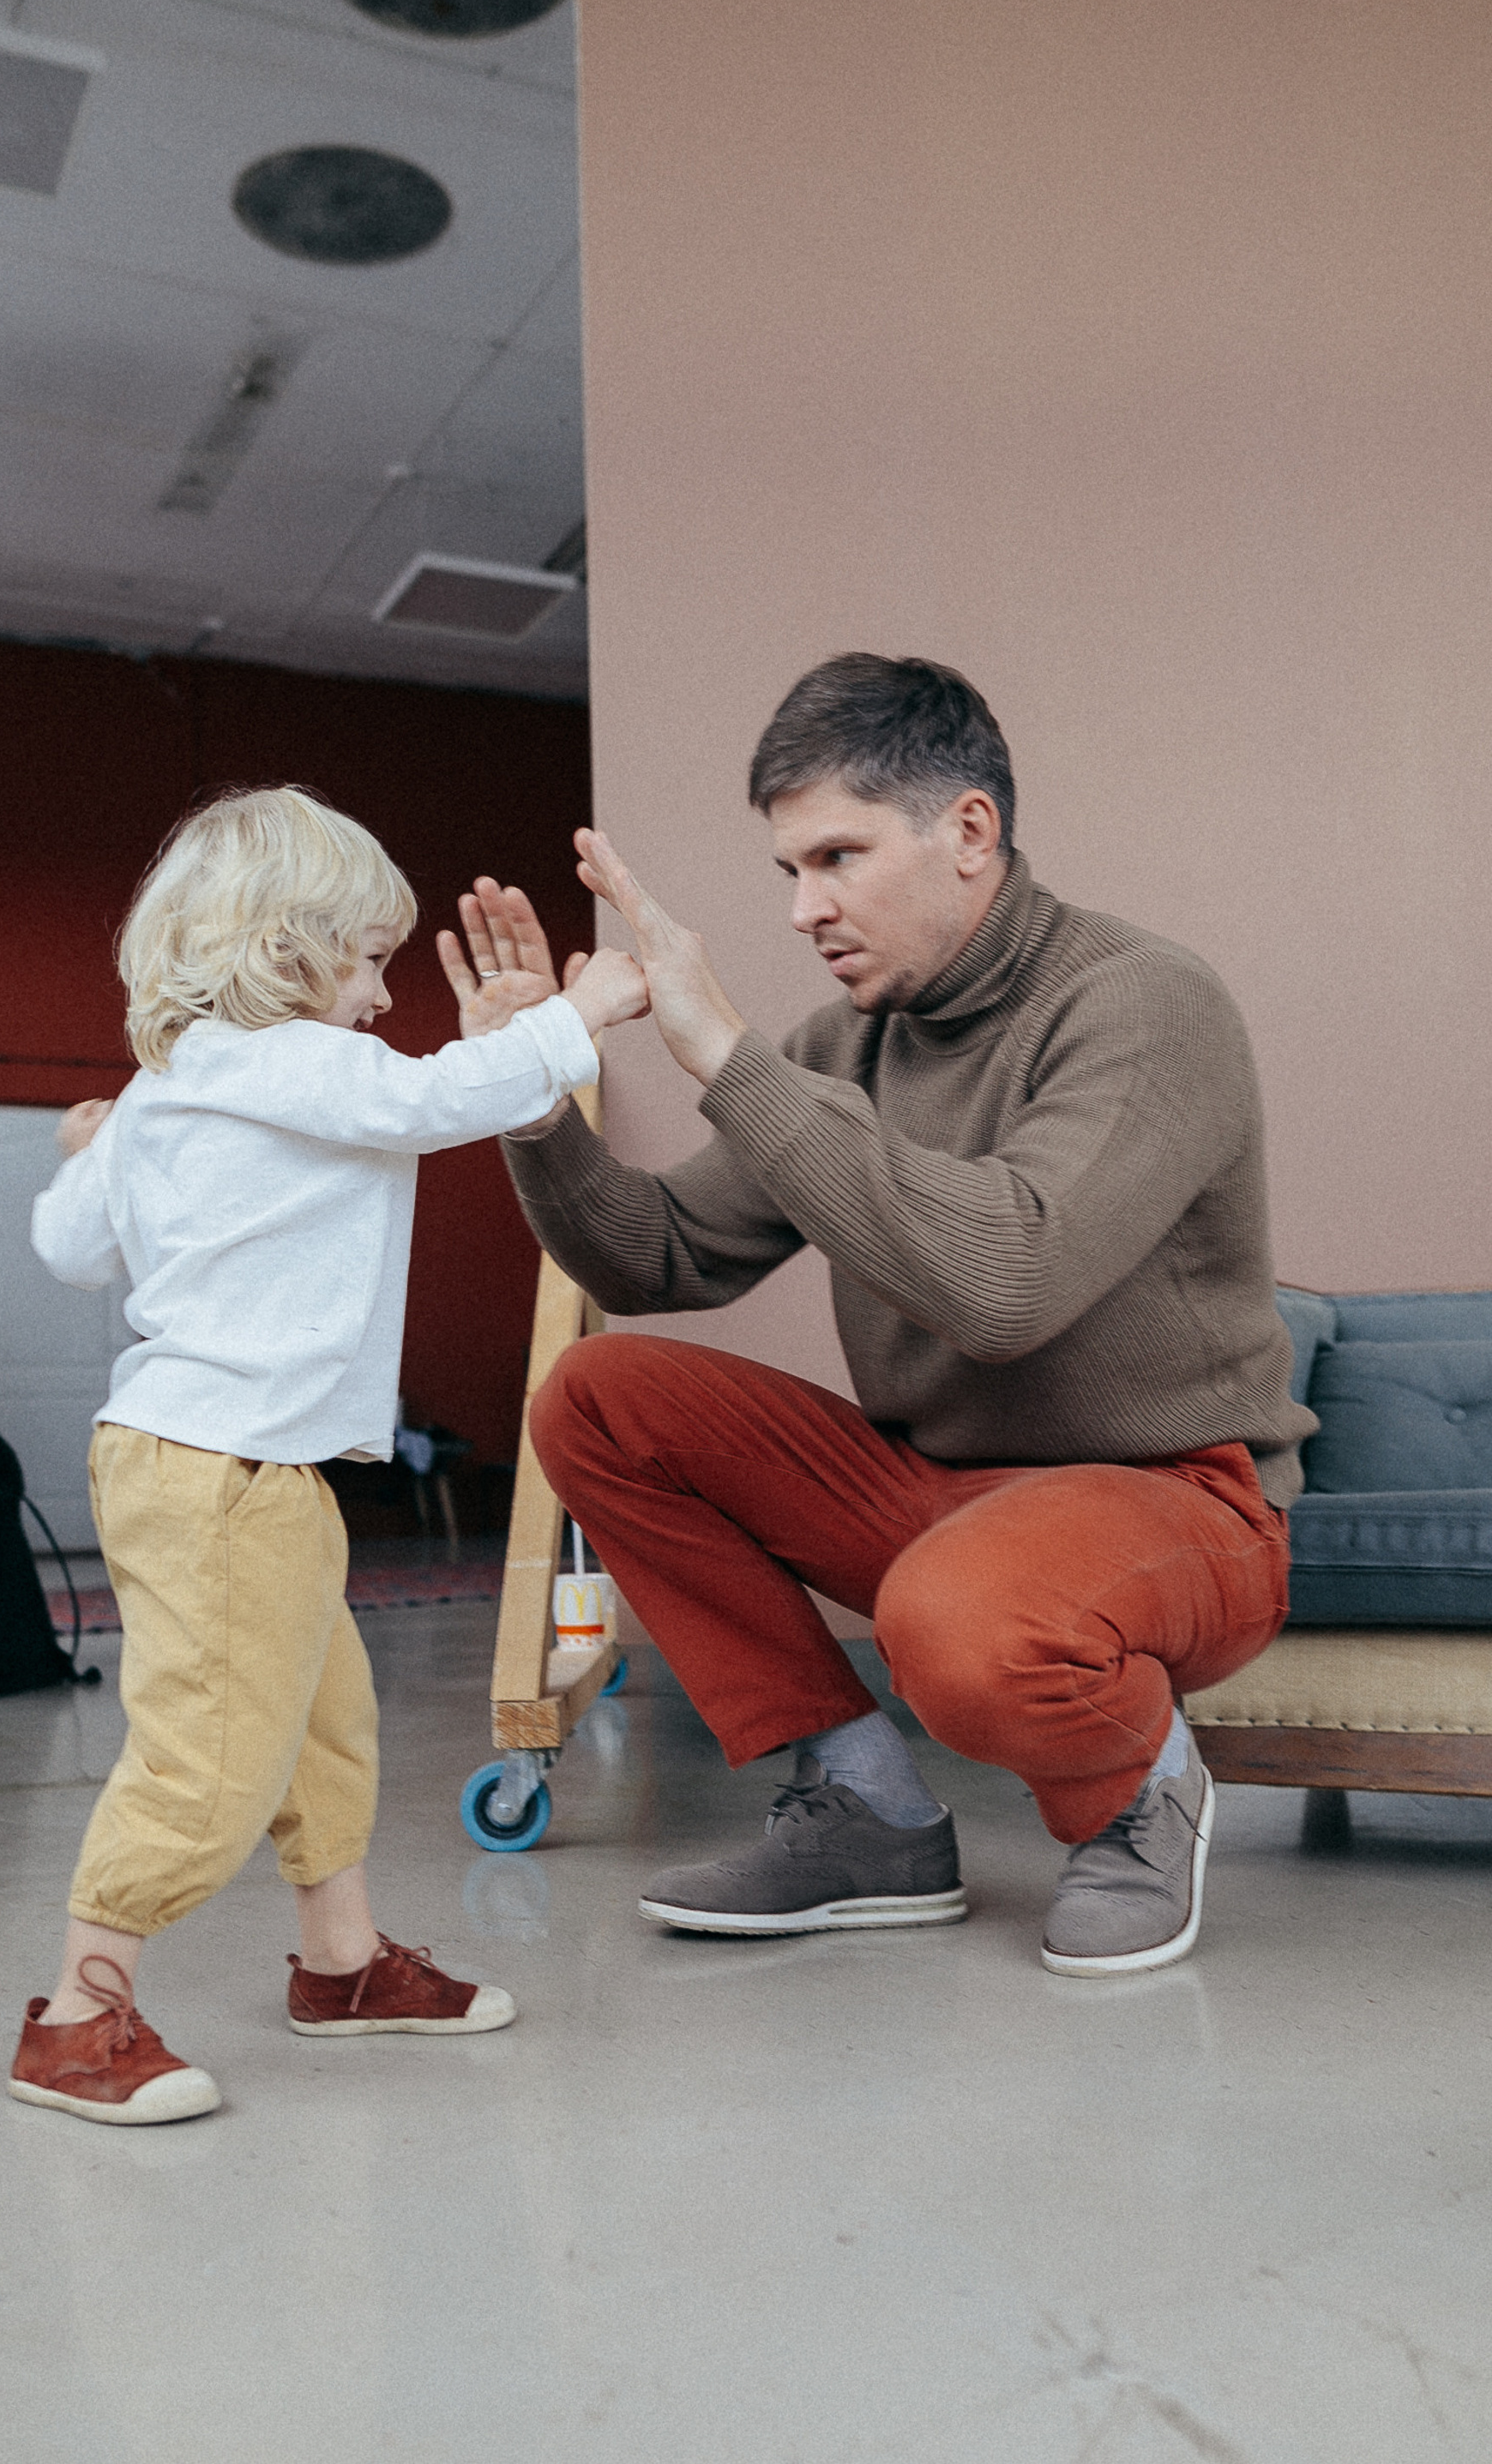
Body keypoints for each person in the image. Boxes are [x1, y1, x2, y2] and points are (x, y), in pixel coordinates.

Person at [490, 654, 1315, 1976]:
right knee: (599, 1398)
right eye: (788, 874)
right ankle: (865, 1806)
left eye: (838, 858)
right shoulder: (838, 1051)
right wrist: (532, 1101)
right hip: (942, 1499)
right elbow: (654, 1259)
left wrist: (729, 1063)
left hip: (1180, 1508)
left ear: (969, 833)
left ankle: (1137, 1801)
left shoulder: (1145, 1004)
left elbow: (1009, 1288)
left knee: (960, 1615)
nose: (807, 909)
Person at [11, 785, 646, 2123]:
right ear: (282, 951)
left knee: (318, 1724)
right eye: (364, 958)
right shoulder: (291, 1061)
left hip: (228, 1468)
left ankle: (342, 1965)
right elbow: (433, 1099)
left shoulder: (163, 1087)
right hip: (222, 1469)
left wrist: (87, 1152)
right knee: (210, 1751)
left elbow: (68, 1251)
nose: (376, 992)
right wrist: (574, 1019)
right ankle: (78, 2012)